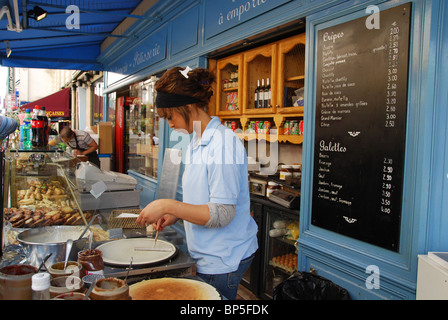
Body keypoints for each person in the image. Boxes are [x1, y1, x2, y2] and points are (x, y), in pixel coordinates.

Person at [136, 67, 258, 299]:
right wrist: (176, 214)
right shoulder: (196, 140)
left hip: (222, 256)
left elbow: (222, 213)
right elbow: (203, 198)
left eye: (170, 116)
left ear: (189, 107)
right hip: (205, 250)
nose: (169, 124)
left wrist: (168, 206)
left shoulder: (222, 144)